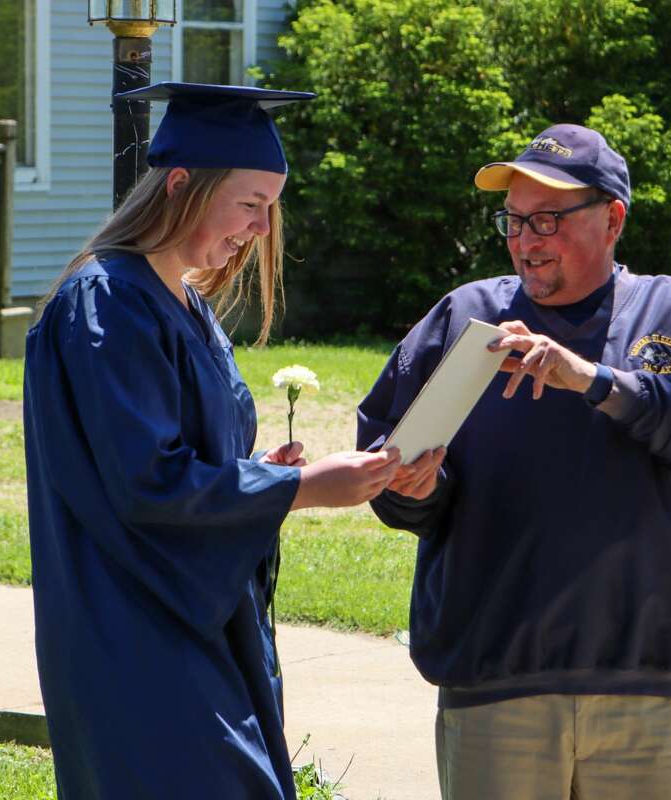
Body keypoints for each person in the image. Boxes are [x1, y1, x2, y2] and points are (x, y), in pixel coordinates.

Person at [357, 124, 671, 799]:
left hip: (642, 691)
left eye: (547, 219)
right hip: (496, 686)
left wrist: (598, 381)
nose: (526, 240)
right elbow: (392, 469)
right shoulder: (467, 320)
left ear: (612, 219)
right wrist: (413, 484)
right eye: (514, 221)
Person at [23, 83, 401, 799]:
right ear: (180, 186)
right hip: (134, 628)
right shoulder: (108, 302)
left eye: (271, 208)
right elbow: (145, 481)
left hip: (197, 621)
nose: (261, 229)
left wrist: (254, 472)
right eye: (251, 203)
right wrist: (301, 489)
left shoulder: (184, 302)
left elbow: (176, 458)